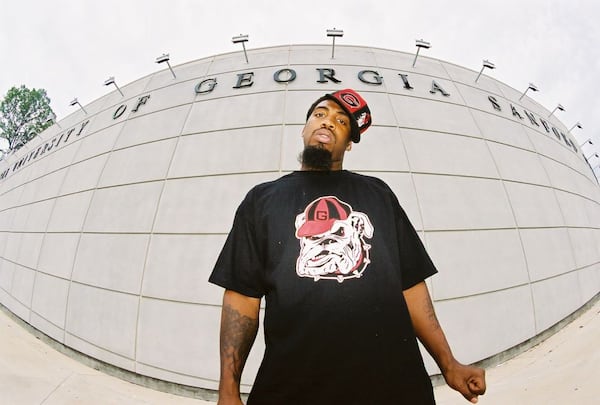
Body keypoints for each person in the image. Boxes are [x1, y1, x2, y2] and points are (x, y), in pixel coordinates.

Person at [209, 89, 486, 404]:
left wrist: (448, 364)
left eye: (341, 122)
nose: (328, 123)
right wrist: (228, 389)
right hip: (291, 388)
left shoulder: (378, 194)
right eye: (320, 114)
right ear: (304, 128)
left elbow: (411, 287)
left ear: (349, 143)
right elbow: (242, 297)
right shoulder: (261, 199)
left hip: (395, 388)